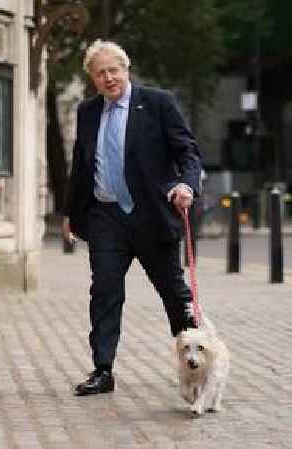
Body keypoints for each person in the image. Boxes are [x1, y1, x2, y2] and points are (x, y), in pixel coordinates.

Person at [63, 40, 201, 396]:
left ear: (127, 70)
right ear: (93, 78)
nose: (108, 78)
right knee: (105, 291)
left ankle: (196, 362)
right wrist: (71, 213)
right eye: (100, 73)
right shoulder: (88, 111)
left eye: (114, 70)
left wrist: (186, 185)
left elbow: (187, 151)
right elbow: (81, 166)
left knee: (173, 292)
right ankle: (103, 369)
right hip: (106, 217)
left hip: (152, 216)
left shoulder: (157, 103)